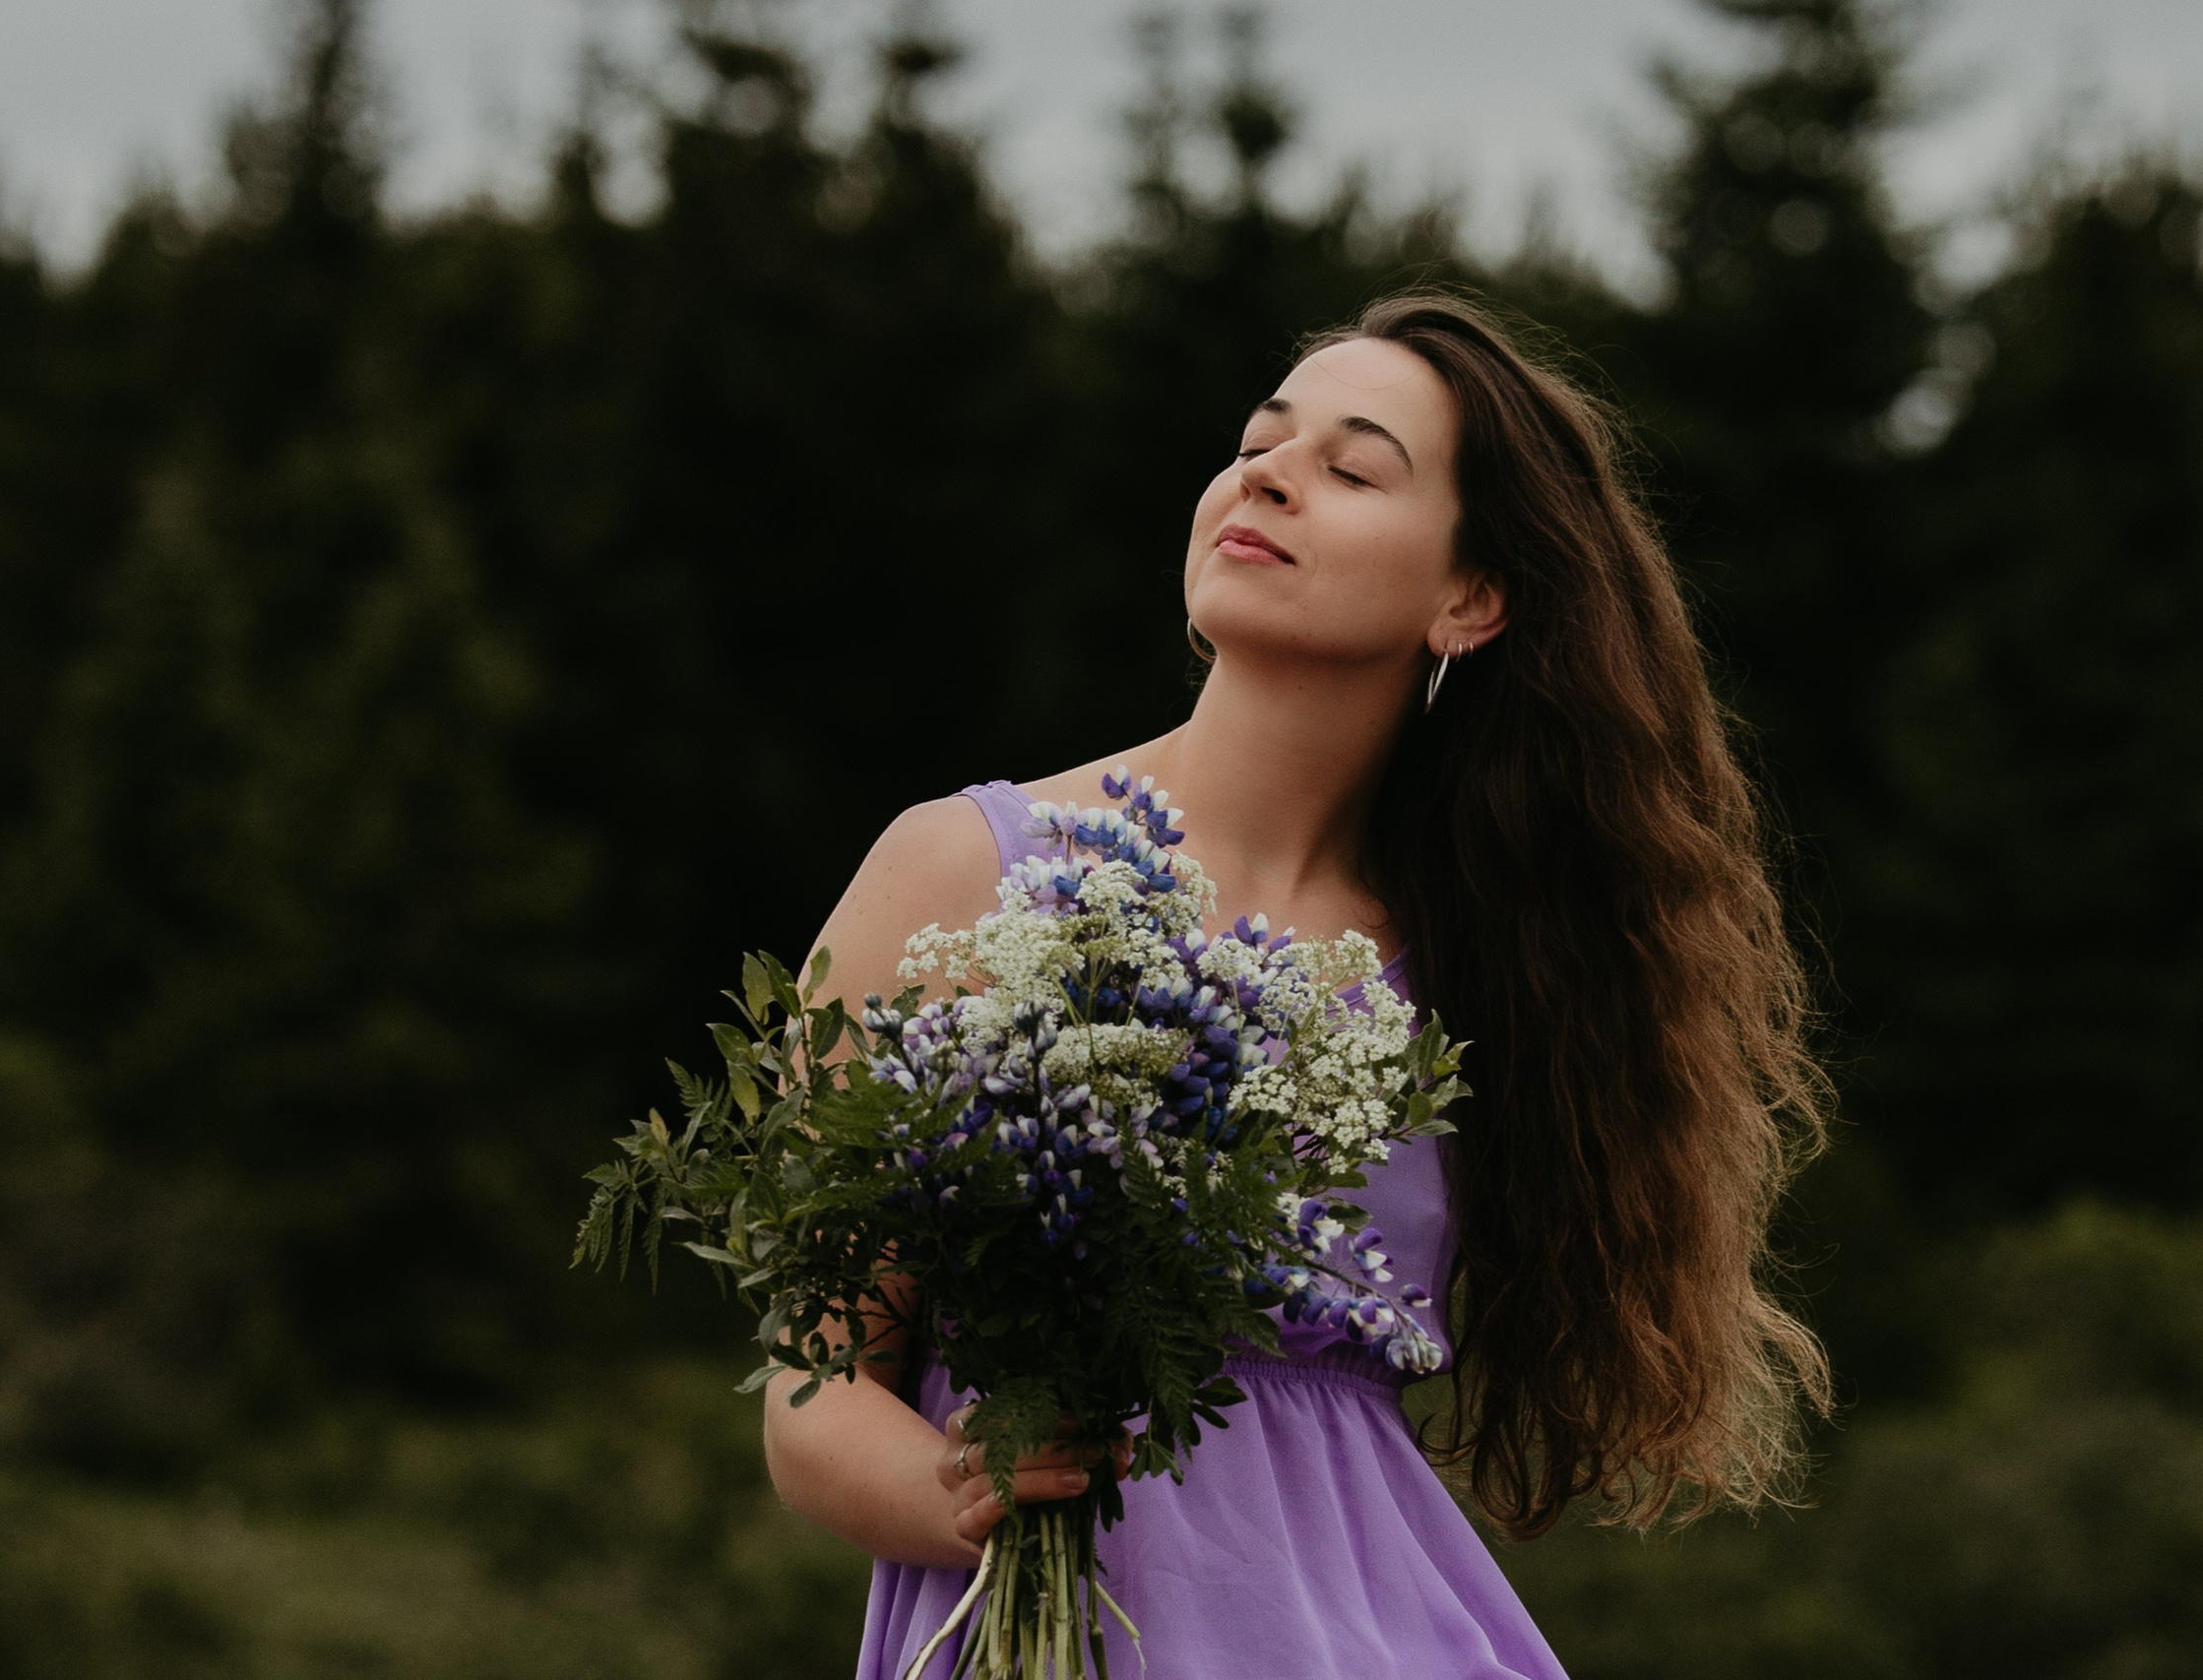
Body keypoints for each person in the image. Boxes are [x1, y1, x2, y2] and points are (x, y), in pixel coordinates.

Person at [765, 291, 1831, 1679]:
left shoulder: (1492, 967)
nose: (1265, 472)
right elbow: (814, 1388)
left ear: (1472, 595)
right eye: (1261, 440)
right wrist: (956, 1491)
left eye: (1352, 466)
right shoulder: (951, 873)